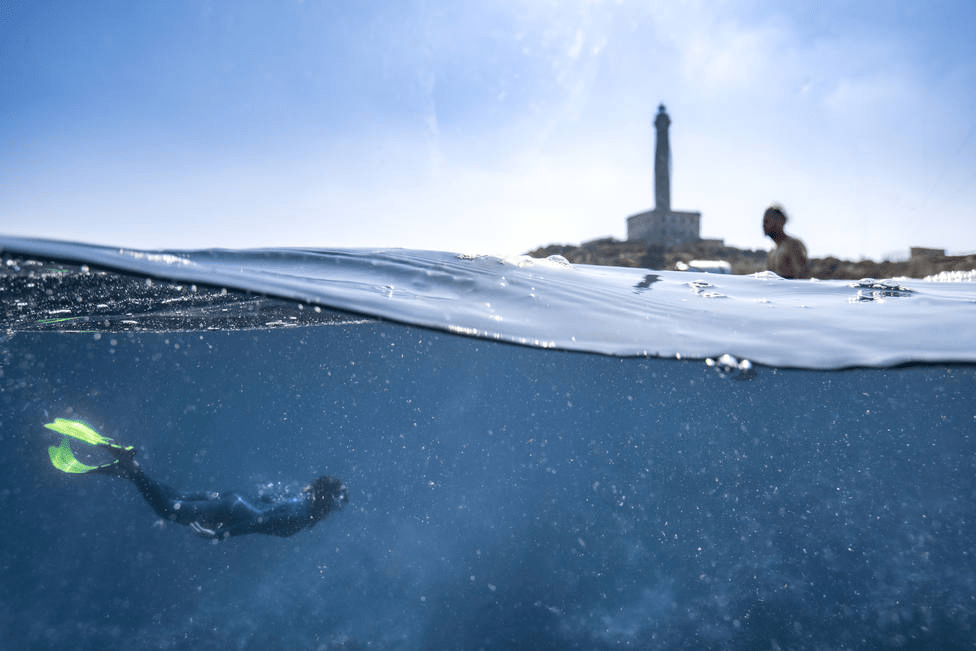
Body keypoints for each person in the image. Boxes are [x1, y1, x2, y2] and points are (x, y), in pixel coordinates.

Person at [43, 418, 347, 540]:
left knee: (174, 496)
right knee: (167, 509)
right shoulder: (302, 514)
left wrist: (230, 508)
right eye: (335, 507)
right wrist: (222, 534)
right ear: (326, 504)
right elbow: (259, 521)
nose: (333, 512)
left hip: (233, 500)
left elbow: (266, 501)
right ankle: (131, 468)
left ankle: (129, 471)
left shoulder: (301, 500)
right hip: (234, 511)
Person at [762, 204, 810, 279]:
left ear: (781, 221)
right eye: (764, 222)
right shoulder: (772, 251)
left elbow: (803, 278)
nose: (764, 225)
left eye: (767, 221)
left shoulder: (793, 245)